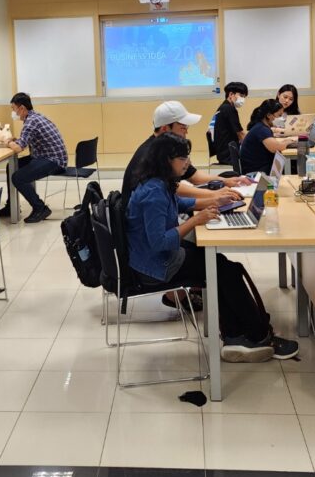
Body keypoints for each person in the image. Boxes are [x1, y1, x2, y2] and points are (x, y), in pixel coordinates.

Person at [126, 133, 299, 362]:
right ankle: (258, 336)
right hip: (157, 265)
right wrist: (196, 220)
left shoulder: (157, 182)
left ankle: (235, 335)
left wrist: (214, 201)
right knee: (225, 271)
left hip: (157, 257)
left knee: (223, 268)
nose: (187, 163)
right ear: (166, 160)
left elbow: (180, 203)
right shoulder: (154, 193)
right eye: (182, 159)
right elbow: (159, 243)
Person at [122, 101, 250, 204]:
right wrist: (214, 194)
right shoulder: (151, 154)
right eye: (183, 128)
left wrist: (225, 181)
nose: (186, 132)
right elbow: (173, 187)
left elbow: (194, 176)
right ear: (165, 128)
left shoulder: (169, 148)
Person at [3, 93, 67, 223]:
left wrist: (7, 141)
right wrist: (15, 141)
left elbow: (18, 148)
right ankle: (11, 206)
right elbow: (25, 141)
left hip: (54, 161)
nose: (13, 113)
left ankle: (40, 208)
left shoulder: (31, 122)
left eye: (13, 109)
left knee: (18, 177)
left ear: (22, 108)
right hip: (48, 157)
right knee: (12, 167)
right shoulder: (36, 117)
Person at [238, 99, 299, 175]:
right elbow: (276, 148)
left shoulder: (261, 126)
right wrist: (288, 142)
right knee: (294, 167)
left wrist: (285, 142)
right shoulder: (261, 129)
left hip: (258, 167)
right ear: (269, 115)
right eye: (279, 115)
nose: (282, 118)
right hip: (258, 172)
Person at [210, 82, 248, 165]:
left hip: (223, 152)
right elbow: (240, 134)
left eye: (244, 97)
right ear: (231, 94)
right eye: (241, 95)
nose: (243, 99)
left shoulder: (223, 107)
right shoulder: (229, 109)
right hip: (229, 155)